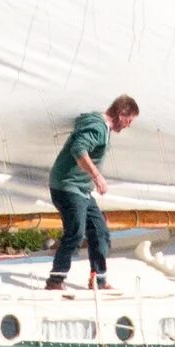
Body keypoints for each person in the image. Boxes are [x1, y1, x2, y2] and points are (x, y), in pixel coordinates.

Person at [43, 94, 140, 291]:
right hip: (67, 186)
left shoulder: (99, 125)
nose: (128, 125)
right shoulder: (97, 127)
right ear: (121, 114)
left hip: (81, 189)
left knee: (100, 232)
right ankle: (55, 280)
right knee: (76, 232)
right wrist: (97, 176)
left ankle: (98, 279)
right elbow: (79, 150)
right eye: (129, 121)